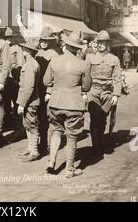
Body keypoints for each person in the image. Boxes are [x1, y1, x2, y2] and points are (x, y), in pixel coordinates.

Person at [44, 31, 91, 178]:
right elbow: (87, 87)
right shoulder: (83, 64)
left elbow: (46, 82)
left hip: (55, 103)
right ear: (78, 48)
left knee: (56, 131)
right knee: (71, 136)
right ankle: (69, 170)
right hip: (73, 105)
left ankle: (51, 163)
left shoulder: (54, 60)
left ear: (66, 44)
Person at [86, 30, 122, 155]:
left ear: (108, 44)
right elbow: (86, 76)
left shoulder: (115, 59)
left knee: (102, 119)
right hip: (93, 91)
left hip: (107, 93)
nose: (100, 44)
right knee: (94, 117)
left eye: (103, 42)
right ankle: (95, 145)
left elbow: (117, 78)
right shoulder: (90, 58)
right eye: (99, 42)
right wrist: (84, 93)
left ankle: (99, 140)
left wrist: (116, 95)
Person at [35, 27, 60, 156]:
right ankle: (41, 142)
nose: (43, 42)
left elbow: (56, 74)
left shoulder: (54, 55)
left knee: (46, 117)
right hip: (37, 88)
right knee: (39, 117)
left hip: (48, 89)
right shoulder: (38, 53)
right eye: (42, 40)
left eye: (46, 40)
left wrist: (50, 91)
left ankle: (45, 144)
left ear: (50, 41)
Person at [16, 38, 41, 162]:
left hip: (30, 102)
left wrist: (22, 104)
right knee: (27, 125)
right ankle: (30, 148)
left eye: (24, 48)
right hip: (29, 101)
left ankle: (34, 151)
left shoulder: (31, 65)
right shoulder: (29, 63)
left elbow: (29, 87)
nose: (22, 50)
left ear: (29, 51)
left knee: (32, 126)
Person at [3, 27, 23, 129]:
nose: (8, 39)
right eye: (6, 37)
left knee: (16, 102)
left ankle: (18, 124)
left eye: (10, 37)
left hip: (14, 79)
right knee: (5, 103)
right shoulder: (2, 48)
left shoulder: (17, 48)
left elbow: (20, 64)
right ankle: (7, 123)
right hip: (4, 79)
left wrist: (17, 78)